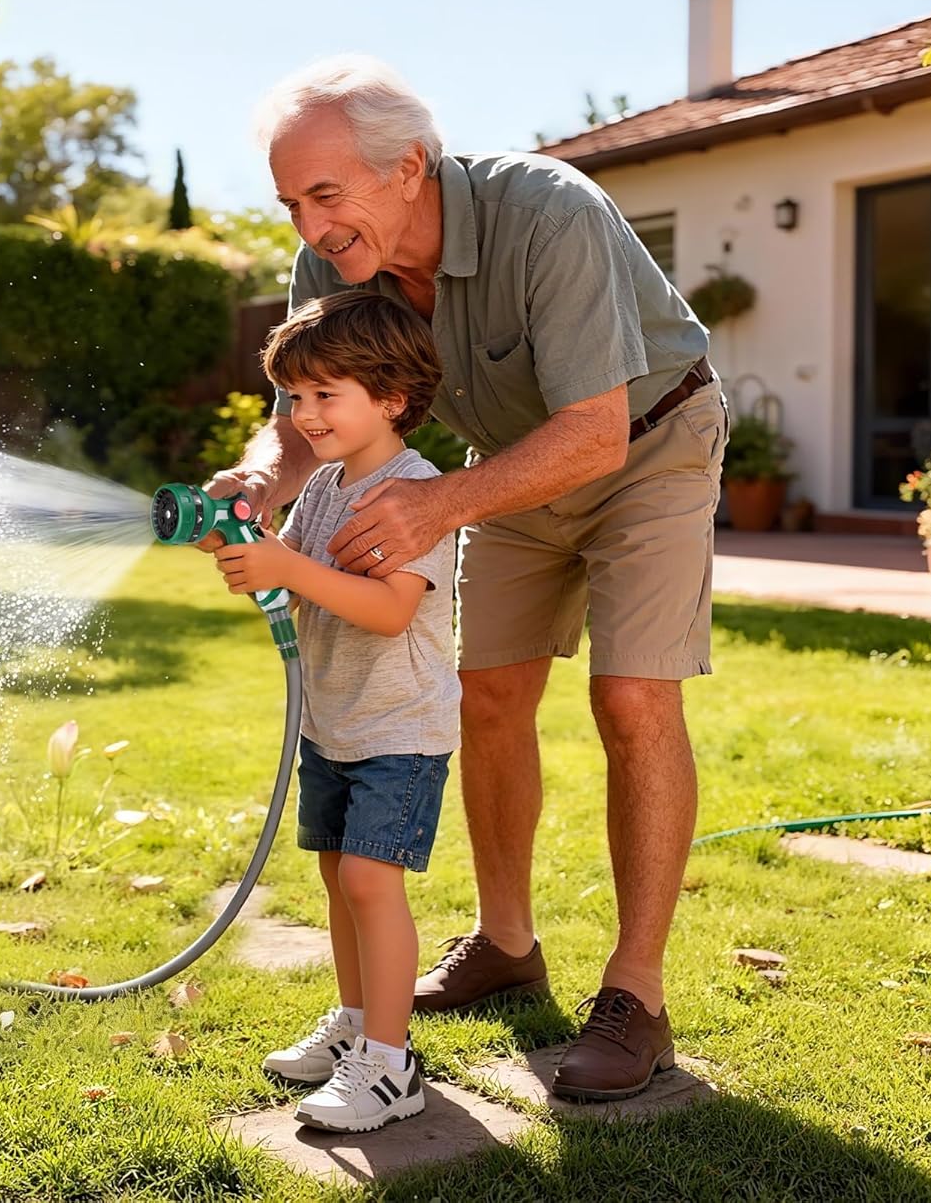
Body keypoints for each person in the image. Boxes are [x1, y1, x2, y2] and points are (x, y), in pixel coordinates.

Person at [207, 55, 725, 1103]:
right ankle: (505, 941)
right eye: (292, 203)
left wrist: (439, 503)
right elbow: (303, 419)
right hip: (511, 468)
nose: (311, 228)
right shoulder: (335, 266)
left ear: (408, 166)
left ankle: (637, 995)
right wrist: (264, 478)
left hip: (647, 442)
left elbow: (596, 431)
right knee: (487, 695)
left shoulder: (547, 213)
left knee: (631, 697)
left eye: (326, 194)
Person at [210, 289, 456, 1134]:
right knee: (335, 879)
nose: (305, 415)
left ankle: (391, 1067)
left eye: (327, 395)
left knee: (368, 880)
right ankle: (357, 1027)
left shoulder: (414, 492)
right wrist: (256, 559)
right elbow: (308, 582)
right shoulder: (317, 490)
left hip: (401, 728)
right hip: (335, 722)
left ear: (391, 397)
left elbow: (389, 609)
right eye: (297, 397)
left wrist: (287, 566)